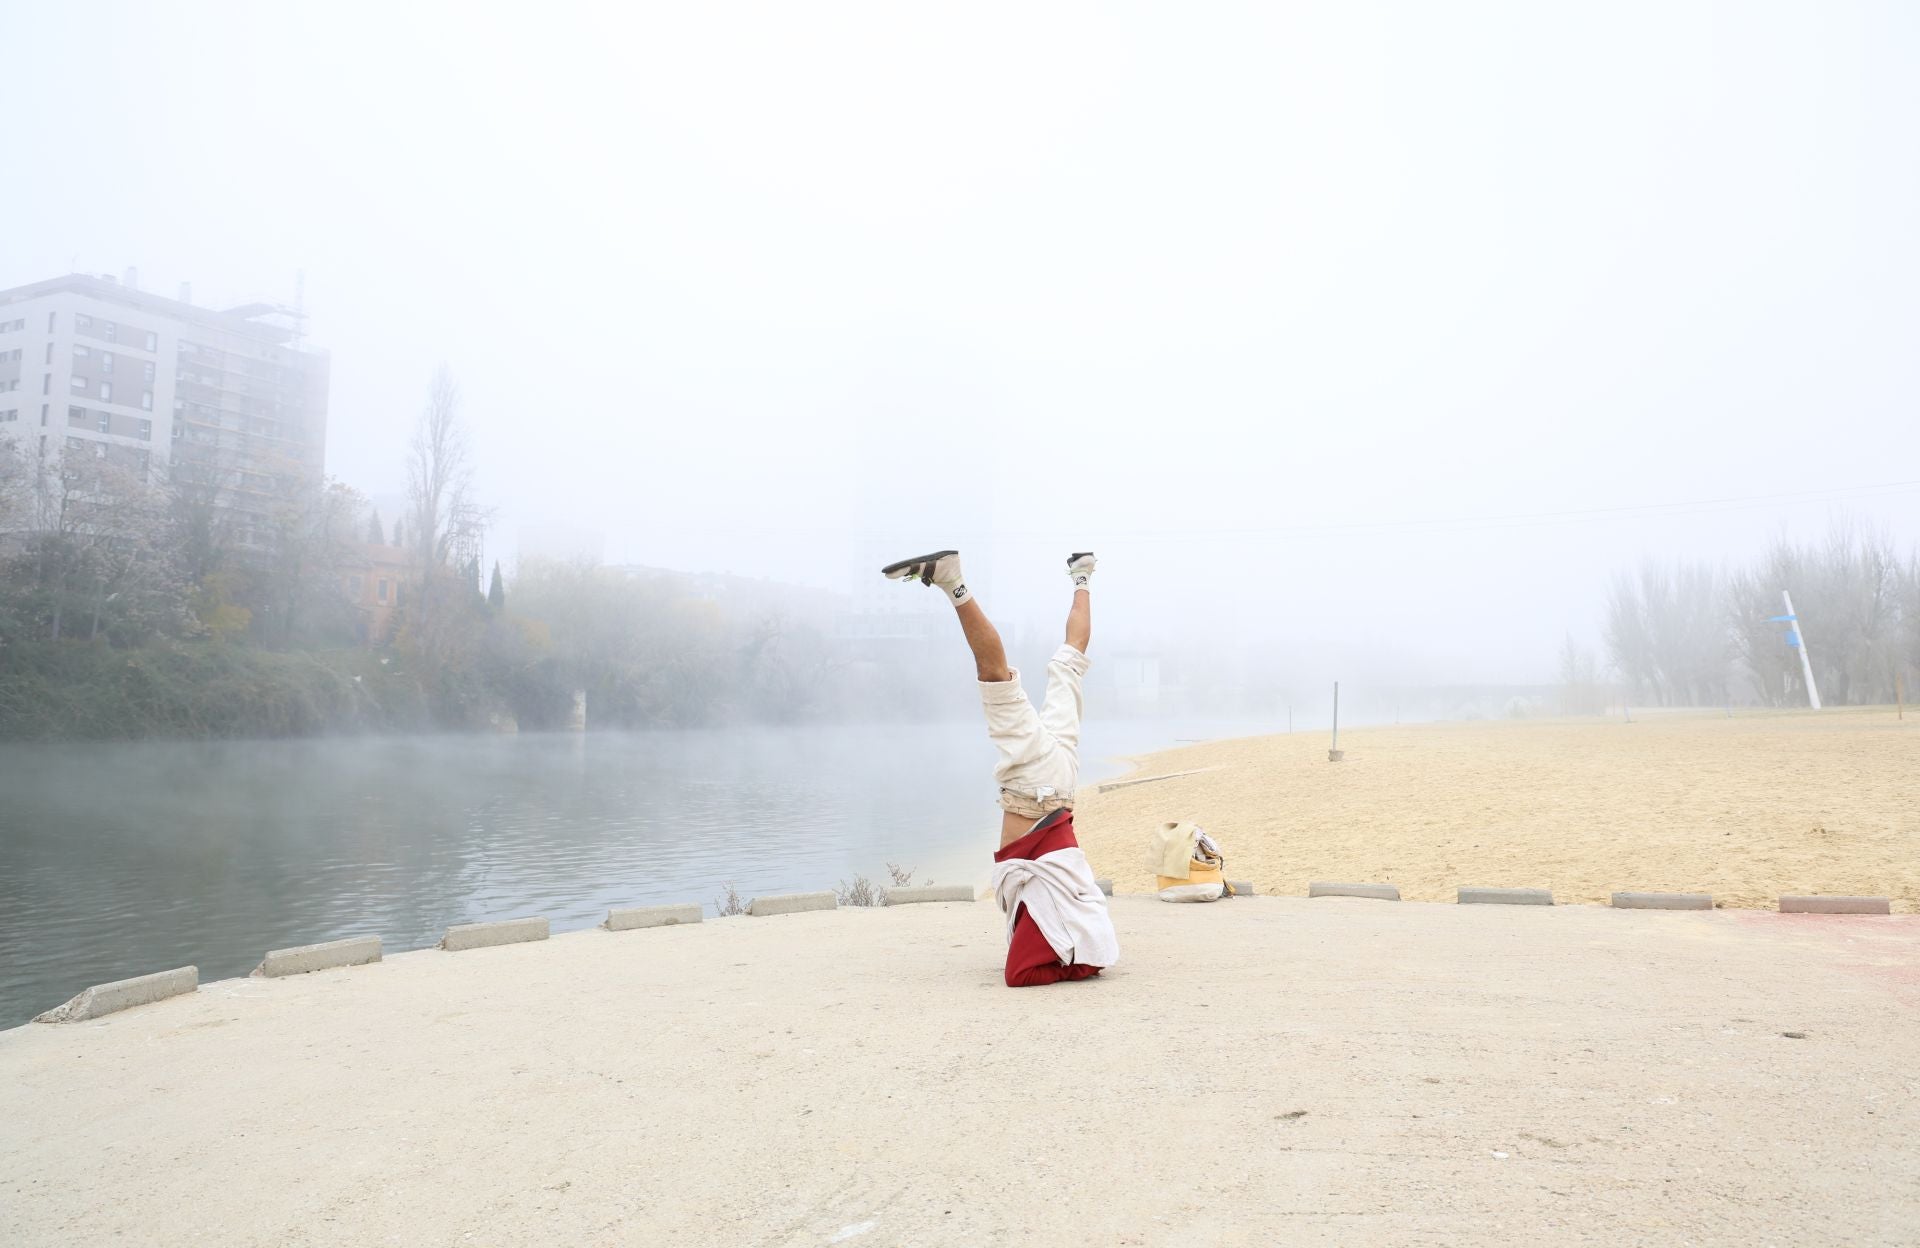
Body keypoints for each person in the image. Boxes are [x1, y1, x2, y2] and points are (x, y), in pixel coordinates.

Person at [881, 550, 1120, 987]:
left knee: (1070, 659)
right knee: (997, 678)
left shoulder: (1064, 903)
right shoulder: (1051, 898)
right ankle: (951, 580)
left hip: (1059, 776)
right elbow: (1022, 974)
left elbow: (1025, 971)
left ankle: (1082, 575)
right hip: (1038, 782)